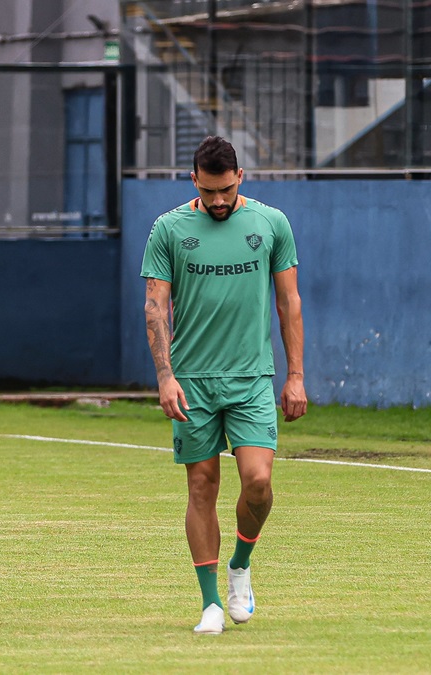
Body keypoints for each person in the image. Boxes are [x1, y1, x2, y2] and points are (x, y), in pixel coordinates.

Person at [141, 136, 306, 635]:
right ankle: (211, 602)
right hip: (192, 381)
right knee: (201, 485)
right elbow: (155, 306)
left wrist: (295, 375)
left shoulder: (271, 223)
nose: (218, 201)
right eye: (209, 191)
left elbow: (289, 302)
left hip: (252, 377)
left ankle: (240, 563)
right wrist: (165, 377)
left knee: (258, 482)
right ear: (194, 180)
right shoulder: (168, 229)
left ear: (240, 179)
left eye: (226, 191)